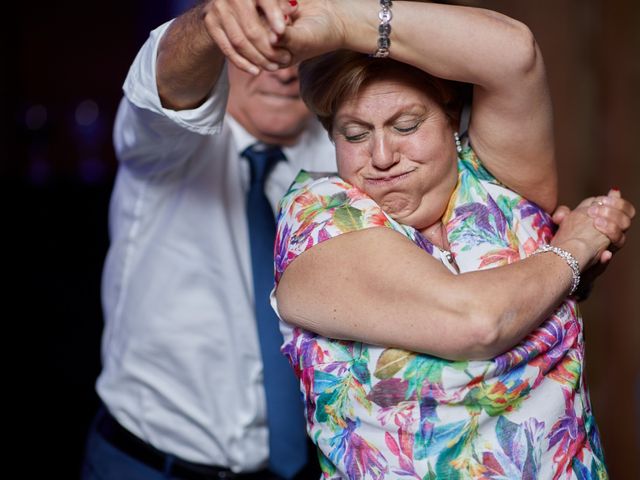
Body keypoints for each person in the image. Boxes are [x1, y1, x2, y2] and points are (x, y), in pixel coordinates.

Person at [252, 1, 634, 478]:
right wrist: (573, 250)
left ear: (453, 119)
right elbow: (475, 324)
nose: (382, 155)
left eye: (406, 125)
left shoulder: (498, 181)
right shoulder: (318, 215)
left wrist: (343, 22)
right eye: (354, 134)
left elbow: (513, 53)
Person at [81, 1, 336, 479]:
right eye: (260, 48)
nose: (282, 72)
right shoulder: (165, 142)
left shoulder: (345, 153)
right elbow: (163, 82)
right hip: (146, 466)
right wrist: (210, 21)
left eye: (297, 50)